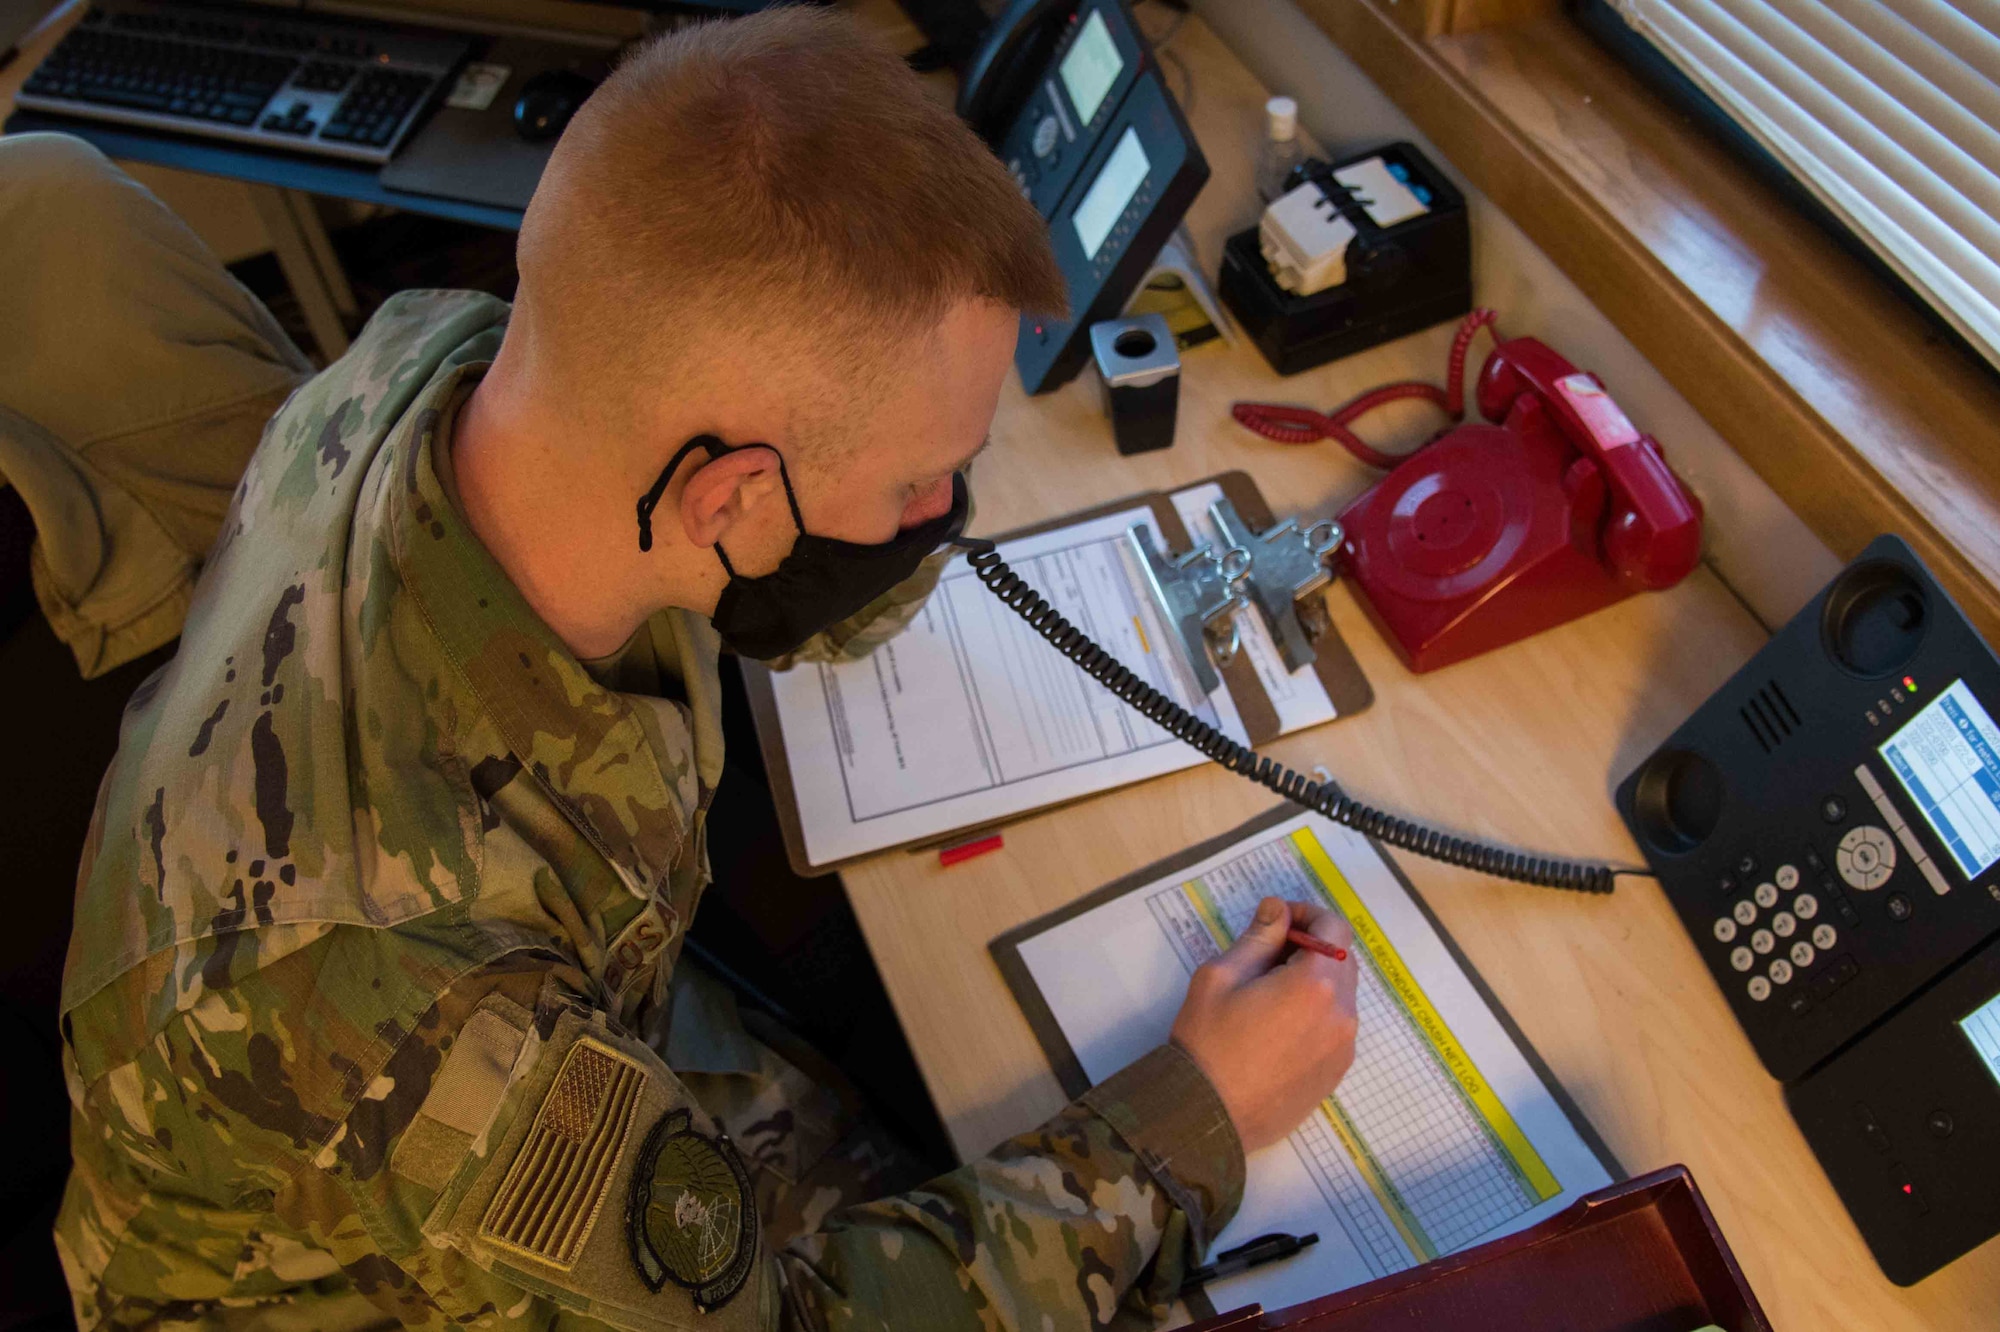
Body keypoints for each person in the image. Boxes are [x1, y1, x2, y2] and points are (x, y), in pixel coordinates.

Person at [13, 9, 1361, 1331]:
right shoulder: (421, 1009)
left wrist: (867, 492)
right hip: (371, 1239)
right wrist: (1194, 1117)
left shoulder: (448, 361)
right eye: (918, 483)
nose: (944, 511)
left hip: (561, 1000)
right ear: (724, 502)